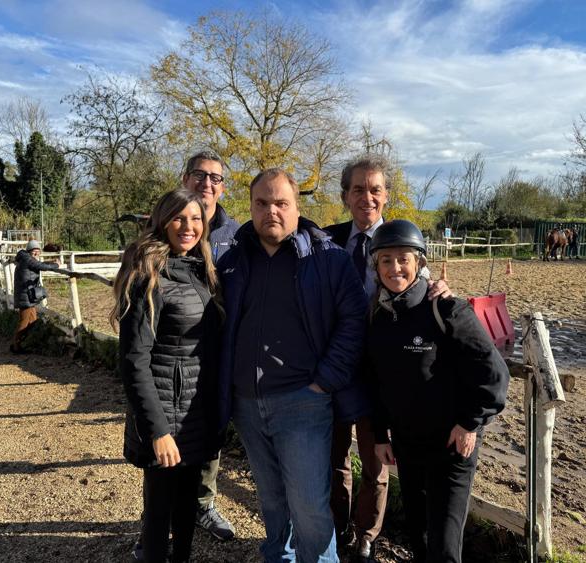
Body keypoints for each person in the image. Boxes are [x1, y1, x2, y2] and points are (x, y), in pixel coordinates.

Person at [217, 168, 368, 562]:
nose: (272, 211)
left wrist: (326, 380)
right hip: (247, 404)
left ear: (297, 208)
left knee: (309, 507)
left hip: (302, 402)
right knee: (270, 500)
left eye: (281, 203)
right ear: (249, 207)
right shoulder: (232, 261)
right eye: (262, 203)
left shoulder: (328, 259)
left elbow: (354, 320)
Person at [324, 155, 451, 562]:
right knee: (333, 458)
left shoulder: (401, 244)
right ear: (345, 196)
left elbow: (421, 284)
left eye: (375, 188)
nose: (367, 196)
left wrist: (440, 289)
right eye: (358, 189)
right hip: (334, 370)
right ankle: (335, 527)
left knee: (376, 461)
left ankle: (367, 535)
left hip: (380, 376)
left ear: (386, 195)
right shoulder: (326, 241)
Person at [365, 220, 509, 563]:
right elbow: (376, 380)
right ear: (376, 266)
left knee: (444, 546)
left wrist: (470, 422)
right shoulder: (378, 316)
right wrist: (381, 435)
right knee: (419, 533)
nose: (394, 267)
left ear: (419, 263)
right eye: (385, 260)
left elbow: (493, 372)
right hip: (407, 444)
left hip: (451, 444)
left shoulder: (446, 309)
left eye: (403, 259)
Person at [112, 189, 223, 563]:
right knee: (158, 515)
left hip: (195, 414)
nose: (188, 227)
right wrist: (157, 430)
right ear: (161, 222)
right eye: (179, 218)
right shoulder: (148, 274)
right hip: (165, 417)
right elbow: (133, 360)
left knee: (187, 510)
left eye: (195, 219)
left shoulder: (199, 269)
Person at [182, 150, 239, 540]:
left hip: (220, 352)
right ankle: (160, 517)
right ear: (185, 178)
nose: (207, 183)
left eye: (215, 178)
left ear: (223, 186)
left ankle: (203, 504)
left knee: (212, 430)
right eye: (199, 175)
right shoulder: (166, 223)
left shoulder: (235, 236)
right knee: (170, 430)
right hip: (176, 350)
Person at [10, 239, 62, 353]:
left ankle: (19, 342)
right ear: (29, 251)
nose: (36, 253)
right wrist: (56, 264)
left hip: (27, 295)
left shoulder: (26, 258)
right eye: (34, 251)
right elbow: (41, 266)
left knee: (33, 320)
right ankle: (15, 346)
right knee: (24, 322)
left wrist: (51, 262)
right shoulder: (28, 260)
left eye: (38, 251)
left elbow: (39, 264)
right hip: (25, 295)